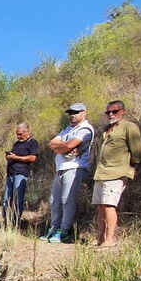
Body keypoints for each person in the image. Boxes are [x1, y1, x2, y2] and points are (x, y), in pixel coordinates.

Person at [93, 100, 141, 247]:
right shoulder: (105, 129)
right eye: (108, 112)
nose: (110, 114)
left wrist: (131, 165)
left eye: (114, 111)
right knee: (100, 206)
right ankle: (100, 239)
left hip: (117, 172)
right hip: (101, 172)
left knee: (109, 205)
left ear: (123, 111)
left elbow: (138, 150)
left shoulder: (129, 127)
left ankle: (110, 240)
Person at [42, 103, 95, 243]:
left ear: (84, 113)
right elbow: (52, 143)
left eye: (76, 112)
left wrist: (61, 147)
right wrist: (62, 147)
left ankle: (64, 231)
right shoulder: (67, 129)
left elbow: (69, 145)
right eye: (71, 112)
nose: (72, 115)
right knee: (54, 201)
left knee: (67, 201)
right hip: (60, 168)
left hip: (74, 168)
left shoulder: (86, 129)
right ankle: (53, 229)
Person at [3, 123, 40, 227]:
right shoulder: (17, 143)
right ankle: (6, 222)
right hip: (10, 174)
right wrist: (10, 157)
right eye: (17, 134)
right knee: (6, 199)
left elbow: (33, 158)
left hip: (20, 174)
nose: (18, 136)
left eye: (20, 134)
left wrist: (16, 158)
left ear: (26, 132)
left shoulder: (33, 143)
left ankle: (15, 223)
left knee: (17, 199)